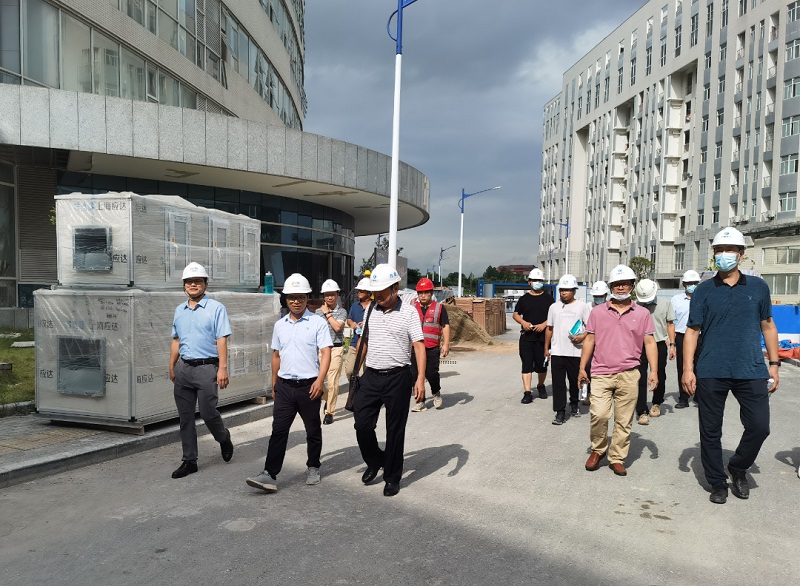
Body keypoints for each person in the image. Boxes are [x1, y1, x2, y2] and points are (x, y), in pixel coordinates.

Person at [681, 226, 780, 504]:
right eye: (719, 250)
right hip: (711, 369)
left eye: (729, 250)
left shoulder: (758, 287)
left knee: (760, 426)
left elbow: (768, 325)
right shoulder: (703, 290)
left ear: (741, 254)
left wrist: (774, 363)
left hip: (751, 368)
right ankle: (717, 482)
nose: (723, 254)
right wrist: (688, 369)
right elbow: (692, 331)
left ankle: (738, 466)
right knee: (710, 431)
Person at [246, 273, 332, 493]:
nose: (296, 301)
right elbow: (276, 355)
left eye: (301, 297)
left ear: (307, 298)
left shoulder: (317, 323)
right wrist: (274, 382)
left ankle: (313, 466)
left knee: (312, 429)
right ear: (286, 299)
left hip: (309, 386)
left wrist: (320, 380)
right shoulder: (280, 325)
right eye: (292, 297)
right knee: (279, 430)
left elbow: (326, 352)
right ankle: (269, 474)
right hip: (285, 387)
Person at [352, 264, 426, 497]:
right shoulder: (370, 309)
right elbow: (364, 340)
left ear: (395, 288)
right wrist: (355, 370)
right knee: (362, 424)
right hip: (372, 376)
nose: (378, 296)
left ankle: (392, 477)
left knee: (395, 430)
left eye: (382, 292)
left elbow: (419, 346)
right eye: (375, 292)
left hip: (398, 377)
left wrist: (420, 379)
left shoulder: (409, 312)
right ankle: (375, 460)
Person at [579, 264, 658, 477]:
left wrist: (654, 371)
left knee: (624, 419)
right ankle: (598, 449)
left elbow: (649, 342)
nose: (621, 287)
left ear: (632, 286)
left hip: (629, 373)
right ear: (610, 286)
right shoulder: (597, 312)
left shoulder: (642, 313)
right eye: (616, 284)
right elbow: (589, 340)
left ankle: (617, 457)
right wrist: (582, 368)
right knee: (599, 414)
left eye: (625, 284)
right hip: (601, 372)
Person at [169, 262, 234, 479]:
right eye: (189, 281)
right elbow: (176, 340)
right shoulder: (179, 310)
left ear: (205, 284)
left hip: (207, 368)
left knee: (208, 413)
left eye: (197, 281)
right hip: (184, 368)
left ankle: (223, 437)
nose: (193, 284)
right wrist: (171, 366)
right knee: (185, 417)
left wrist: (222, 368)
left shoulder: (216, 308)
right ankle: (190, 460)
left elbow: (222, 339)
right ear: (184, 285)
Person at [544, 274, 591, 425]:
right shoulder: (553, 307)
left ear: (574, 291)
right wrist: (546, 347)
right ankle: (560, 412)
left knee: (574, 381)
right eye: (562, 290)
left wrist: (583, 336)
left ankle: (574, 403)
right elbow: (549, 328)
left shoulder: (582, 307)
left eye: (567, 290)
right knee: (558, 383)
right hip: (558, 351)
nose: (563, 293)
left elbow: (590, 328)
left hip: (576, 351)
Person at [633, 279, 673, 425]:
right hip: (640, 345)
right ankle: (641, 410)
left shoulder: (665, 303)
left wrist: (672, 345)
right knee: (640, 377)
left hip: (659, 343)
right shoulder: (635, 305)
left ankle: (657, 402)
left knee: (659, 374)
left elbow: (670, 324)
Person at [513, 268, 554, 403]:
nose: (537, 282)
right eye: (534, 280)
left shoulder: (549, 299)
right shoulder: (524, 299)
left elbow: (554, 316)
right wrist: (523, 322)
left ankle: (541, 385)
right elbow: (516, 314)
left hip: (543, 338)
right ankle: (527, 392)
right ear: (529, 282)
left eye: (539, 280)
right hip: (526, 337)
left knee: (542, 366)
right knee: (527, 365)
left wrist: (544, 324)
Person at [410, 277, 451, 412]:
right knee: (414, 375)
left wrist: (446, 344)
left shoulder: (439, 308)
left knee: (431, 373)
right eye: (420, 293)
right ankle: (420, 401)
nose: (423, 295)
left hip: (431, 347)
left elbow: (445, 326)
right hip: (415, 347)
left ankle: (436, 393)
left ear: (431, 293)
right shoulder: (411, 307)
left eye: (426, 292)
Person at [668, 269, 701, 409]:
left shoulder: (704, 298)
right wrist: (672, 342)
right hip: (682, 336)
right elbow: (671, 322)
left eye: (695, 283)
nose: (692, 285)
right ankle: (684, 397)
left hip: (701, 335)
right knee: (683, 366)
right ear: (683, 284)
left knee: (701, 366)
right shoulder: (676, 300)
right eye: (689, 283)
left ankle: (699, 396)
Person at [316, 279, 348, 425]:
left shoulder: (342, 311)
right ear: (323, 296)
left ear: (337, 295)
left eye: (332, 294)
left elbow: (337, 327)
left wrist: (328, 313)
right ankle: (327, 398)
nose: (330, 297)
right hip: (321, 349)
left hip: (336, 348)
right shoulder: (317, 312)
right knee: (318, 379)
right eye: (327, 295)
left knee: (333, 381)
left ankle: (330, 412)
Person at [344, 278, 371, 379]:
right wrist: (352, 323)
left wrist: (367, 324)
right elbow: (349, 319)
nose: (359, 292)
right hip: (355, 343)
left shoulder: (375, 306)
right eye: (358, 290)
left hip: (370, 345)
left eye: (362, 291)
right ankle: (355, 385)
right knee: (350, 370)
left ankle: (364, 387)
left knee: (368, 373)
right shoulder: (354, 306)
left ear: (369, 292)